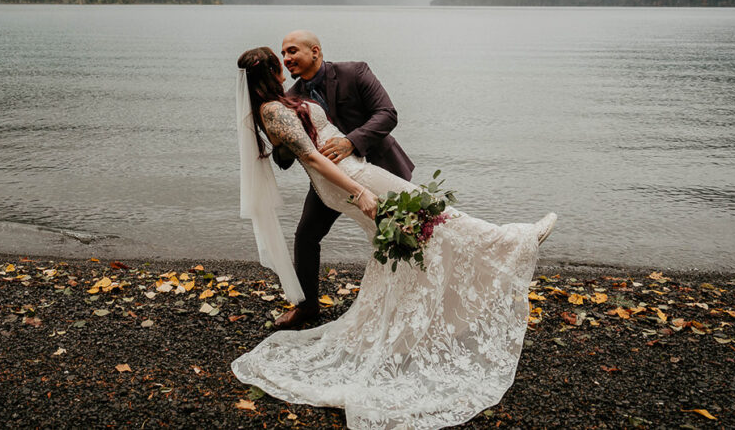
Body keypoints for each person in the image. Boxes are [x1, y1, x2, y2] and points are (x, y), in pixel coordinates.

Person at [232, 46, 556, 430]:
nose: (286, 63)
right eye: (279, 58)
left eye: (292, 51)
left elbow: (373, 119)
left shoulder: (285, 100)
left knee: (400, 245)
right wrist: (359, 191)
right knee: (429, 210)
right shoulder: (272, 110)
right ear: (270, 71)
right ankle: (512, 241)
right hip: (351, 179)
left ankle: (405, 320)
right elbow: (313, 158)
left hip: (354, 167)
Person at [273, 30, 414, 330]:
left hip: (379, 168)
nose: (286, 59)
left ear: (316, 51)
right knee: (306, 236)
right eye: (283, 53)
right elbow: (285, 160)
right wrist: (279, 143)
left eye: (292, 51)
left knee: (403, 236)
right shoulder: (289, 100)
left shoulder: (355, 71)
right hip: (332, 181)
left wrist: (351, 142)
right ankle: (307, 306)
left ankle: (409, 298)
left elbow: (387, 114)